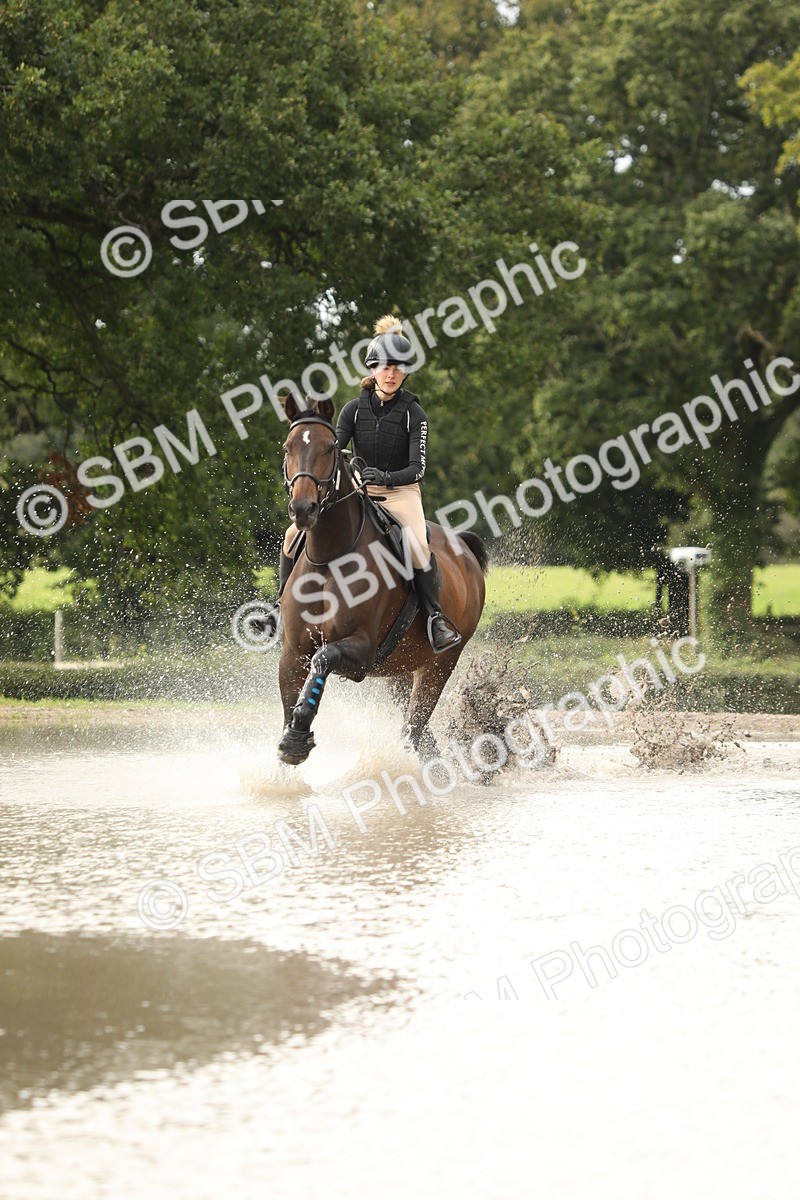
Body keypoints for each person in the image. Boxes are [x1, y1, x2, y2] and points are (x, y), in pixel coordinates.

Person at [271, 315, 461, 652]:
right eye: (385, 367)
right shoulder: (352, 410)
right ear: (373, 369)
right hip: (360, 492)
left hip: (401, 493)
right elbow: (334, 451)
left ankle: (434, 617)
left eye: (398, 368)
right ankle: (279, 607)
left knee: (417, 543)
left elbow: (418, 468)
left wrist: (386, 477)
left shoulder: (413, 414)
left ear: (405, 372)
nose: (391, 374)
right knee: (291, 535)